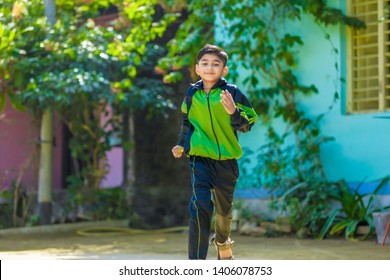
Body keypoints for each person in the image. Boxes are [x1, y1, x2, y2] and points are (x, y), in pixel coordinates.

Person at [171, 44, 258, 260]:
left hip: (227, 161)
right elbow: (186, 122)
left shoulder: (233, 92)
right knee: (199, 206)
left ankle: (222, 241)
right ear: (197, 68)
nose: (210, 67)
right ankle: (196, 263)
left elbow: (248, 123)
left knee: (223, 212)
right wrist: (181, 143)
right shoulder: (191, 93)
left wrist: (233, 112)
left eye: (215, 64)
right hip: (199, 158)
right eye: (205, 63)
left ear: (224, 70)